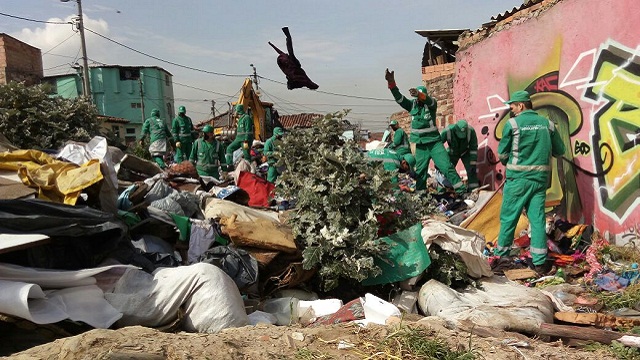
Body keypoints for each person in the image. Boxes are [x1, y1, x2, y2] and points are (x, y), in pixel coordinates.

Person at [495, 90, 565, 274]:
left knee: (509, 218)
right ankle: (540, 263)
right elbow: (560, 150)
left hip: (518, 180)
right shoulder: (548, 124)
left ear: (521, 105)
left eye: (512, 106)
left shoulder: (512, 124)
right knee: (537, 220)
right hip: (540, 181)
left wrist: (510, 161)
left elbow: (502, 154)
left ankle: (502, 259)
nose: (511, 109)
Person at [384, 68, 466, 193]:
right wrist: (392, 84)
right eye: (417, 98)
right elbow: (400, 99)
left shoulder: (431, 104)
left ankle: (461, 191)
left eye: (420, 97)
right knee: (421, 173)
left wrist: (419, 94)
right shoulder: (412, 105)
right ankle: (421, 197)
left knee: (446, 167)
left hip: (434, 143)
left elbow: (428, 100)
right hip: (421, 146)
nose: (418, 100)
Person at [441, 120, 479, 191]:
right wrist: (440, 160)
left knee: (471, 171)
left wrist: (473, 162)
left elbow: (473, 148)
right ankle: (443, 191)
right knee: (447, 171)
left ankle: (474, 190)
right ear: (455, 129)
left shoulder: (471, 131)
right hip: (452, 152)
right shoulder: (448, 131)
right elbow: (438, 146)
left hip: (465, 152)